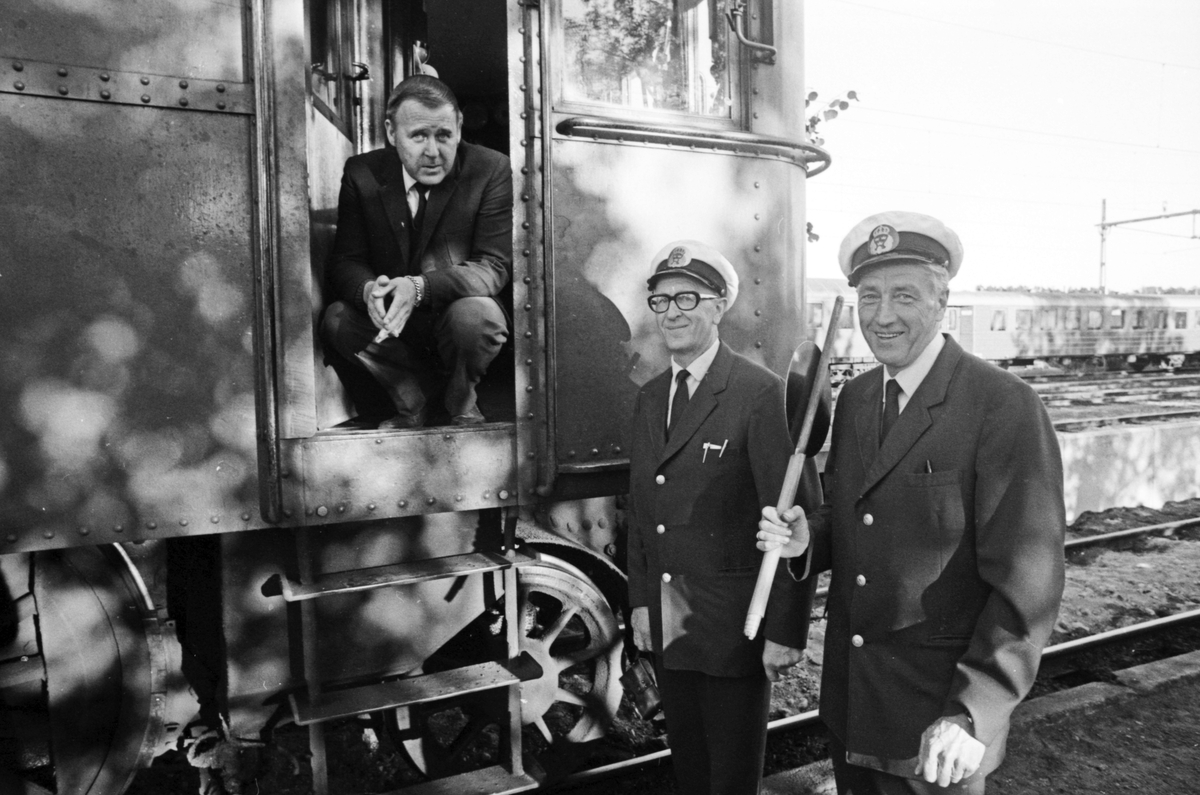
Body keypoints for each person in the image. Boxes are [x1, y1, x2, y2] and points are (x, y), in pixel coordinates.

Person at [757, 211, 1066, 794]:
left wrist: (975, 710)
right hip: (854, 704)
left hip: (937, 723)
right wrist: (809, 538)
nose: (883, 315)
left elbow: (1030, 582)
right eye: (869, 297)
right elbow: (855, 515)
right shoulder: (858, 396)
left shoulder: (1002, 405)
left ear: (941, 300)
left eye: (904, 295)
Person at [626, 240, 812, 794]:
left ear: (719, 306)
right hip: (671, 621)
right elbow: (643, 511)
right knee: (691, 772)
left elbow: (798, 523)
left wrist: (785, 631)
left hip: (735, 633)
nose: (672, 312)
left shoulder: (760, 393)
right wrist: (642, 603)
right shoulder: (650, 397)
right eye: (661, 301)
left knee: (730, 780)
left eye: (688, 298)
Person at [320, 74, 512, 428]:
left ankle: (460, 400)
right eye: (419, 136)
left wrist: (418, 287)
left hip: (456, 314)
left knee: (478, 318)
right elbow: (347, 260)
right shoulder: (361, 172)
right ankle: (414, 400)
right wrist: (369, 291)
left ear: (459, 128)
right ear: (392, 133)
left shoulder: (490, 168)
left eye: (444, 135)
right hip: (393, 322)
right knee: (337, 320)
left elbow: (494, 265)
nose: (433, 152)